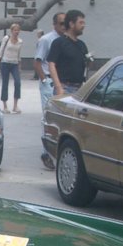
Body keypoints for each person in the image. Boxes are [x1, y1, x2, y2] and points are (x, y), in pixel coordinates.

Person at [34, 12, 66, 170]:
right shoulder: (46, 39)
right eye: (61, 23)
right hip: (49, 81)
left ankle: (55, 150)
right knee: (48, 116)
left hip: (61, 81)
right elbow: (37, 61)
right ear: (54, 24)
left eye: (66, 23)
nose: (64, 26)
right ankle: (46, 152)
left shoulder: (66, 40)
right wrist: (44, 80)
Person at [47, 9, 89, 97]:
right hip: (65, 88)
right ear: (71, 24)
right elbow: (51, 64)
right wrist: (58, 87)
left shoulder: (82, 44)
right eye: (80, 23)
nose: (83, 26)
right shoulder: (59, 42)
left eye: (84, 23)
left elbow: (85, 65)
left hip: (80, 89)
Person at [0, 23, 23, 114]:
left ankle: (15, 106)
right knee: (5, 84)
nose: (16, 32)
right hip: (5, 63)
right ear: (11, 31)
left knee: (17, 82)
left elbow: (19, 54)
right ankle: (5, 106)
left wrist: (20, 66)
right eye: (15, 30)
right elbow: (1, 50)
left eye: (18, 30)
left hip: (14, 64)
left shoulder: (20, 41)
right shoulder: (6, 39)